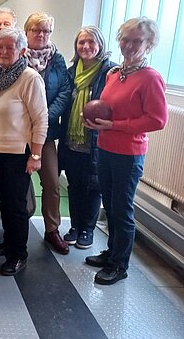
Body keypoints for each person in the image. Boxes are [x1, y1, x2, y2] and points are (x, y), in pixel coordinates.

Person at [84, 17, 167, 285]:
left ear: (149, 44)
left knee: (122, 209)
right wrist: (96, 122)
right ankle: (111, 252)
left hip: (128, 154)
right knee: (109, 205)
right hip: (105, 148)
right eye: (125, 39)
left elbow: (158, 120)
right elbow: (108, 110)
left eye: (136, 41)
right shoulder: (114, 74)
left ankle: (120, 265)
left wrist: (115, 125)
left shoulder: (150, 78)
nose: (129, 45)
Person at [0, 27, 48, 276]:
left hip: (17, 155)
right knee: (5, 204)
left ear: (22, 50)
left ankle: (19, 254)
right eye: (0, 47)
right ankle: (9, 243)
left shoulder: (29, 78)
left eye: (10, 47)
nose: (3, 51)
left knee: (16, 207)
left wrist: (36, 156)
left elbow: (41, 119)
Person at [59, 26, 117, 249]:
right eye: (81, 42)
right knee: (74, 185)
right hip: (72, 140)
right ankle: (75, 226)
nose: (86, 46)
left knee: (94, 186)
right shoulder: (71, 72)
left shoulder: (110, 72)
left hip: (97, 141)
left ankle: (88, 229)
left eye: (91, 42)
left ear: (100, 44)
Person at [23, 12, 72, 255]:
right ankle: (18, 227)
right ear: (27, 32)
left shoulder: (57, 60)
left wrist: (44, 118)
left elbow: (64, 92)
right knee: (18, 183)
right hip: (19, 132)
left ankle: (52, 230)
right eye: (36, 30)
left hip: (47, 133)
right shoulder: (18, 56)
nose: (41, 34)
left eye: (46, 31)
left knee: (52, 182)